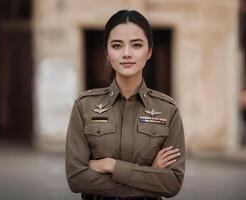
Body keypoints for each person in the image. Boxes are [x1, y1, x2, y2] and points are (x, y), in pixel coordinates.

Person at [65, 10, 185, 200]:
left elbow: (172, 183)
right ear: (107, 52)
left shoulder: (168, 110)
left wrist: (110, 165)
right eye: (117, 45)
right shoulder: (84, 106)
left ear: (149, 51)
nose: (127, 53)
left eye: (136, 45)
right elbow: (77, 179)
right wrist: (150, 176)